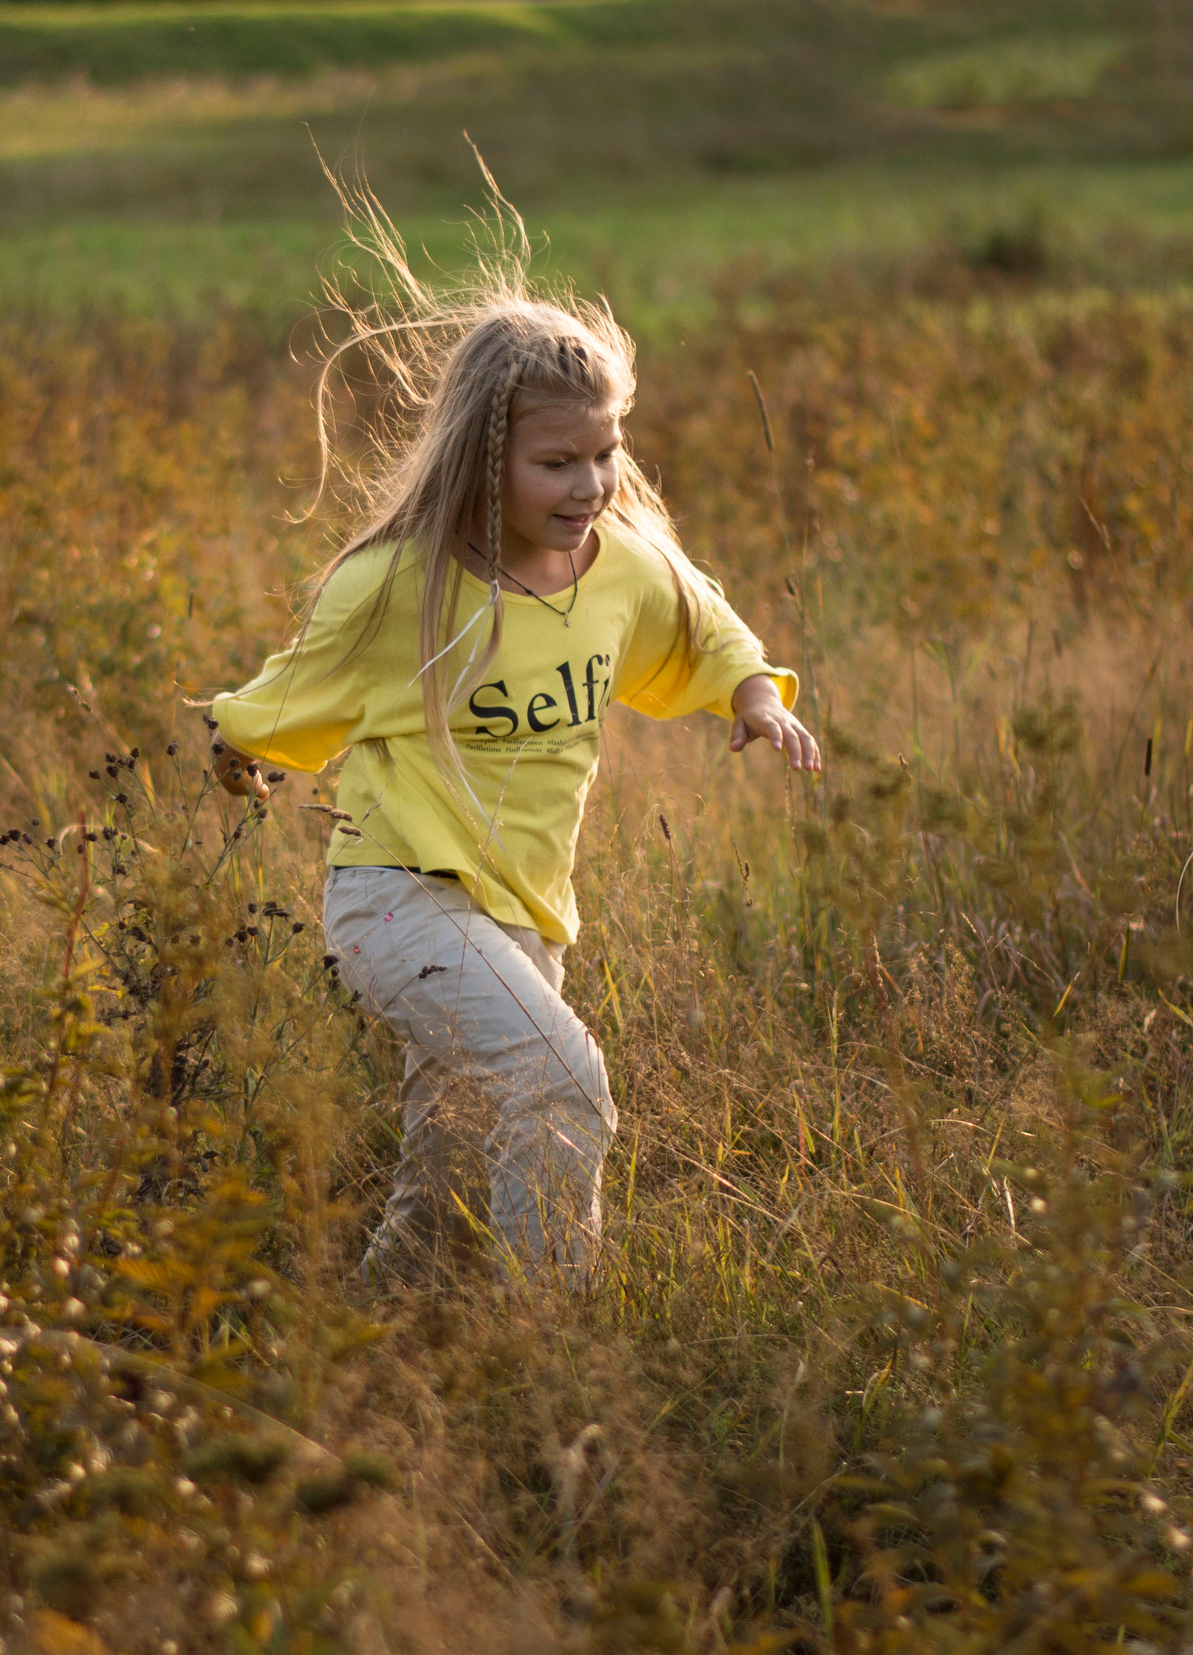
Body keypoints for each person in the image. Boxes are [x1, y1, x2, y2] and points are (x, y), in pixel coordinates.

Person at [205, 198, 819, 1290]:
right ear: (484, 458)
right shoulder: (401, 587)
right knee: (563, 1084)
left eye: (605, 454)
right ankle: (549, 1344)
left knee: (445, 1164)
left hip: (522, 909)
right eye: (556, 463)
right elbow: (296, 686)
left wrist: (753, 697)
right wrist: (241, 740)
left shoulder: (621, 566)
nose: (589, 486)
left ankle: (369, 1346)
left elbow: (707, 625)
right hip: (394, 898)